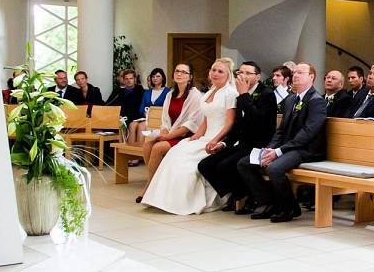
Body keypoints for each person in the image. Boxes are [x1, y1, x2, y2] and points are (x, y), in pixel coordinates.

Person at [140, 58, 237, 214]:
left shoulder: (230, 93)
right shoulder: (210, 92)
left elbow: (230, 123)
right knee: (175, 153)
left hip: (219, 138)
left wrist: (214, 139)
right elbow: (206, 119)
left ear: (228, 75)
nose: (215, 73)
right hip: (204, 136)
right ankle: (158, 197)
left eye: (220, 71)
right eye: (213, 70)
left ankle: (182, 202)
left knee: (183, 164)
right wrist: (196, 136)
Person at [237, 62, 327, 222]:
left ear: (311, 77)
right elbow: (281, 130)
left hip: (306, 150)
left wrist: (278, 152)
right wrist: (270, 148)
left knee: (274, 168)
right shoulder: (291, 99)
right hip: (287, 148)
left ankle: (290, 208)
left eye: (301, 72)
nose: (296, 75)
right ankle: (268, 202)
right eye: (295, 72)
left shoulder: (316, 100)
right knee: (245, 163)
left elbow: (308, 133)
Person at [202, 62, 273, 211]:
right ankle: (239, 194)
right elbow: (237, 126)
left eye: (248, 73)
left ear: (258, 77)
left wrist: (244, 95)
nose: (243, 76)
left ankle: (253, 197)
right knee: (205, 165)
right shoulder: (240, 94)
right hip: (242, 143)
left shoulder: (266, 94)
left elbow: (257, 121)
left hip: (259, 144)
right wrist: (223, 144)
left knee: (226, 165)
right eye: (240, 73)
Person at [137, 62, 198, 194]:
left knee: (158, 147)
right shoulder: (170, 94)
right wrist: (164, 131)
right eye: (177, 71)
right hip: (169, 133)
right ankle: (155, 181)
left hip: (185, 136)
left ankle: (149, 187)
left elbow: (191, 124)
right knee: (148, 145)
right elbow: (165, 119)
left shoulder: (194, 95)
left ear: (190, 77)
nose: (179, 74)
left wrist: (168, 136)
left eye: (183, 72)